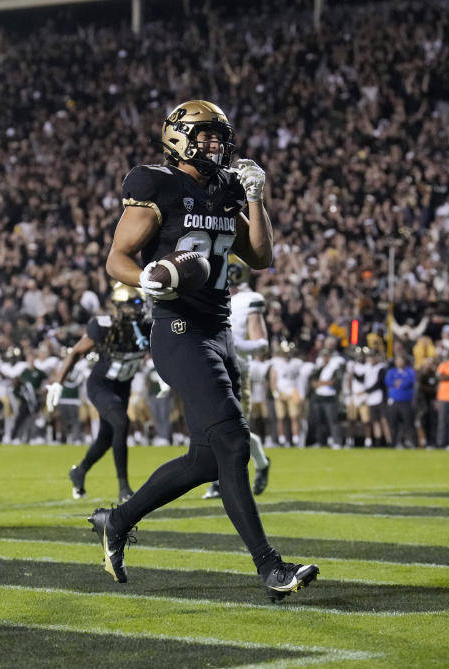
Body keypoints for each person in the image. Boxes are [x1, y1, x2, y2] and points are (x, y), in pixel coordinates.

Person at [96, 100, 318, 602]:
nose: (216, 145)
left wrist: (257, 199)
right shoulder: (155, 183)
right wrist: (148, 279)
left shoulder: (225, 187)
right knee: (234, 445)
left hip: (218, 332)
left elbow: (260, 257)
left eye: (220, 137)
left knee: (205, 460)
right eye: (206, 136)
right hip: (178, 330)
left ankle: (118, 520)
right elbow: (117, 259)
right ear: (177, 138)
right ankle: (270, 568)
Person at [47, 283, 149, 504]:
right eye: (134, 305)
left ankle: (80, 471)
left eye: (140, 304)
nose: (139, 310)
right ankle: (124, 488)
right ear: (120, 307)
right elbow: (76, 353)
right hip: (100, 385)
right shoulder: (103, 325)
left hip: (123, 386)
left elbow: (163, 352)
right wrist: (58, 382)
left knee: (105, 438)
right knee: (121, 423)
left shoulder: (146, 326)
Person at [203, 258, 272, 498]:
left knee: (235, 430)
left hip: (238, 371)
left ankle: (246, 470)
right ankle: (224, 477)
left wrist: (235, 343)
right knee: (216, 427)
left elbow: (262, 345)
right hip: (213, 368)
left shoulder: (249, 299)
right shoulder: (213, 296)